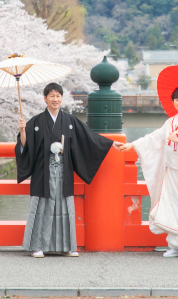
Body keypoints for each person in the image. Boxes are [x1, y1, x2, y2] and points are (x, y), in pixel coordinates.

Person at [16, 82, 120, 258]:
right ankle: (38, 246)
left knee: (64, 207)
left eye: (58, 96)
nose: (55, 99)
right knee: (42, 207)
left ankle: (67, 246)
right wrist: (22, 130)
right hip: (43, 171)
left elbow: (88, 137)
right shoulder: (36, 121)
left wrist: (110, 143)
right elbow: (25, 146)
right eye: (52, 96)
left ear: (62, 98)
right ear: (45, 98)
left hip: (64, 170)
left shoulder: (69, 120)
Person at [118, 86, 178, 258]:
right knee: (171, 205)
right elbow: (154, 138)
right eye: (177, 99)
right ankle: (176, 245)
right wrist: (133, 145)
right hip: (172, 171)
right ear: (173, 102)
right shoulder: (171, 122)